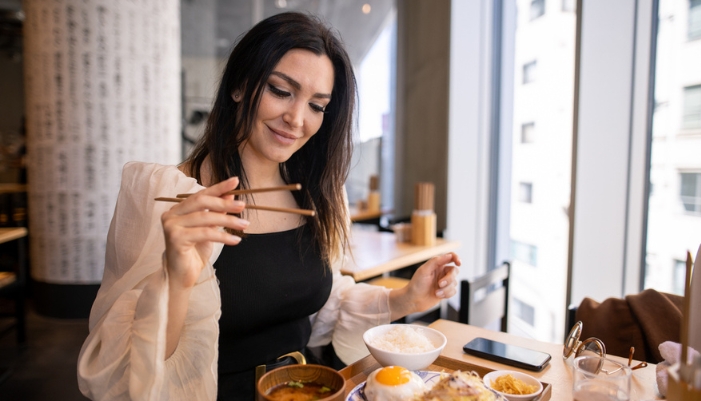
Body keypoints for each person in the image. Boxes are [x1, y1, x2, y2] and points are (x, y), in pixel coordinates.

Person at [77, 12, 460, 401]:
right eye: (281, 91)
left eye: (317, 105)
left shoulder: (317, 196)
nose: (297, 119)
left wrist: (407, 299)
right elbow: (125, 372)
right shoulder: (168, 195)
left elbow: (324, 305)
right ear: (241, 85)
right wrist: (176, 277)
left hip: (309, 390)